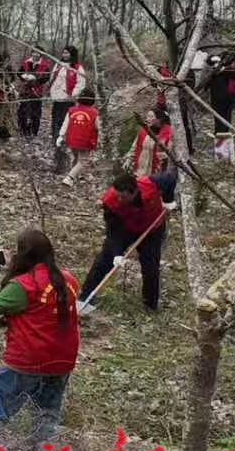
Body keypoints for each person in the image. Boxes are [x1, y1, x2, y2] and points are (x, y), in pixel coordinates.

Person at [0, 228, 81, 449]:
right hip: (62, 360)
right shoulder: (68, 280)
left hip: (27, 359)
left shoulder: (24, 285)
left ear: (24, 254)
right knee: (47, 413)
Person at [78, 170, 179, 313]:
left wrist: (168, 201)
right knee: (105, 259)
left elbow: (171, 178)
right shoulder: (110, 202)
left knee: (150, 266)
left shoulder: (150, 184)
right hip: (124, 229)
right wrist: (117, 253)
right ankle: (85, 296)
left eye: (123, 197)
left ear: (134, 191)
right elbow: (113, 232)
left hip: (152, 228)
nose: (119, 200)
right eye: (117, 196)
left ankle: (150, 305)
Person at [201, 49, 235, 161]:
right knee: (220, 123)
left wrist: (223, 70)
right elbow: (210, 60)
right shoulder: (226, 57)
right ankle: (221, 152)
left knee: (223, 123)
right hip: (218, 96)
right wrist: (215, 60)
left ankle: (222, 154)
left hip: (226, 97)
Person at [56, 92, 101, 183]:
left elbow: (65, 124)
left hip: (71, 139)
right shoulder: (94, 113)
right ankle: (69, 178)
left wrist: (61, 136)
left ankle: (78, 175)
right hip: (86, 140)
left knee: (76, 158)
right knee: (83, 160)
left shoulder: (72, 110)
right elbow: (98, 127)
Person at [46, 45, 88, 139]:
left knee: (65, 118)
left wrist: (74, 93)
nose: (64, 55)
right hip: (57, 96)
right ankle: (55, 135)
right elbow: (53, 78)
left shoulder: (77, 67)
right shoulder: (58, 64)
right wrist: (50, 89)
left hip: (68, 98)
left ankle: (63, 137)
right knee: (55, 116)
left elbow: (81, 82)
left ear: (72, 54)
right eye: (63, 53)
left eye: (67, 53)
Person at [127, 106, 173, 178]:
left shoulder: (168, 133)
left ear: (159, 119)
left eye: (151, 117)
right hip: (138, 172)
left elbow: (169, 156)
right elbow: (134, 147)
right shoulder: (143, 130)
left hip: (156, 175)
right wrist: (128, 159)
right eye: (147, 116)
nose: (147, 119)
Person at [15, 51, 52, 138]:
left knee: (35, 113)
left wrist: (35, 79)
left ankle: (34, 132)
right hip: (25, 91)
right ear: (31, 53)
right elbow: (19, 73)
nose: (35, 55)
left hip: (36, 92)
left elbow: (46, 77)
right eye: (34, 53)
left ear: (40, 54)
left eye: (38, 53)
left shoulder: (44, 65)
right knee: (22, 111)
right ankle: (23, 130)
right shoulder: (26, 62)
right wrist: (24, 77)